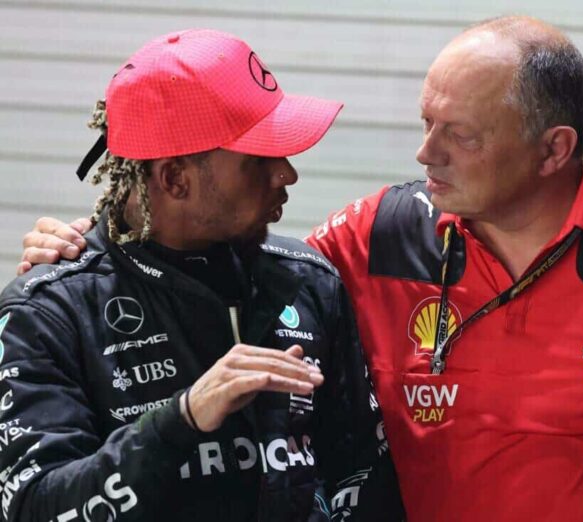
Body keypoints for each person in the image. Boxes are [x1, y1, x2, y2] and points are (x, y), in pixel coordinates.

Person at [18, 16, 583, 521]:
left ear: (554, 150)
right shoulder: (376, 237)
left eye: (459, 134)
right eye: (427, 123)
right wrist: (88, 250)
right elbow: (184, 238)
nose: (425, 154)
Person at [1, 29, 404, 521]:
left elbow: (362, 472)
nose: (287, 173)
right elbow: (32, 507)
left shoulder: (308, 282)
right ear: (175, 179)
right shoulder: (49, 313)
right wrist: (181, 420)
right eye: (260, 159)